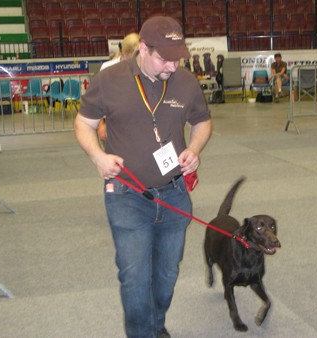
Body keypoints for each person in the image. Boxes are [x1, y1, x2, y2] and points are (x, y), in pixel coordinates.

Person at [74, 16, 212, 338]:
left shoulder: (186, 81)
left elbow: (202, 122)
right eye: (164, 58)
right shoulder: (109, 80)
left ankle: (155, 325)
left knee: (166, 275)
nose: (172, 66)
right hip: (126, 196)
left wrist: (194, 148)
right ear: (143, 49)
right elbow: (84, 124)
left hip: (175, 192)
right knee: (135, 278)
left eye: (177, 58)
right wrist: (98, 156)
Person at [98, 33, 140, 143]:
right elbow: (99, 99)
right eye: (137, 55)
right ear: (126, 53)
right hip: (113, 125)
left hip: (138, 123)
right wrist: (101, 125)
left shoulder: (144, 68)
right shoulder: (107, 68)